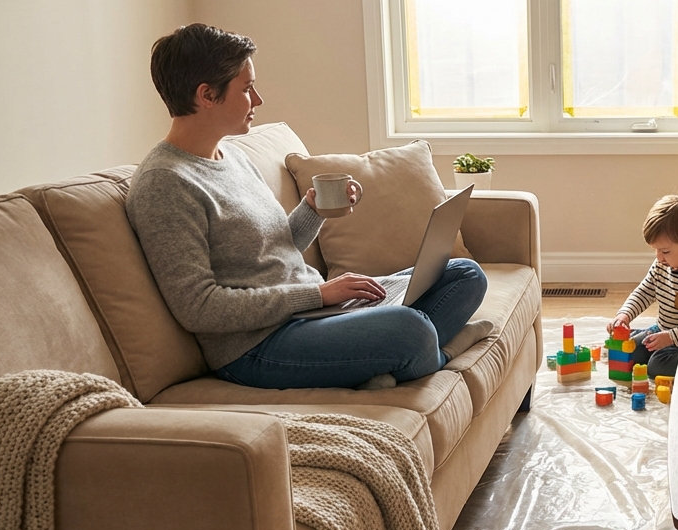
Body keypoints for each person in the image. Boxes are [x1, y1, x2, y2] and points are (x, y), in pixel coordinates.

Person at [125, 23, 486, 390]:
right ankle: (438, 353)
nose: (258, 100)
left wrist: (313, 210)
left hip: (312, 314)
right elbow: (200, 308)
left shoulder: (231, 155)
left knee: (464, 274)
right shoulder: (165, 184)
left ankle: (390, 363)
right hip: (258, 346)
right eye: (247, 89)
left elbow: (276, 249)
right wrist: (318, 295)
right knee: (410, 330)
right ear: (207, 95)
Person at [608, 195, 678, 379]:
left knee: (657, 366)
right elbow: (644, 291)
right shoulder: (661, 265)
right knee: (627, 354)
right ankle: (646, 337)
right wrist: (625, 314)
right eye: (656, 250)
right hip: (663, 329)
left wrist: (671, 337)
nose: (659, 257)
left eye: (665, 251)